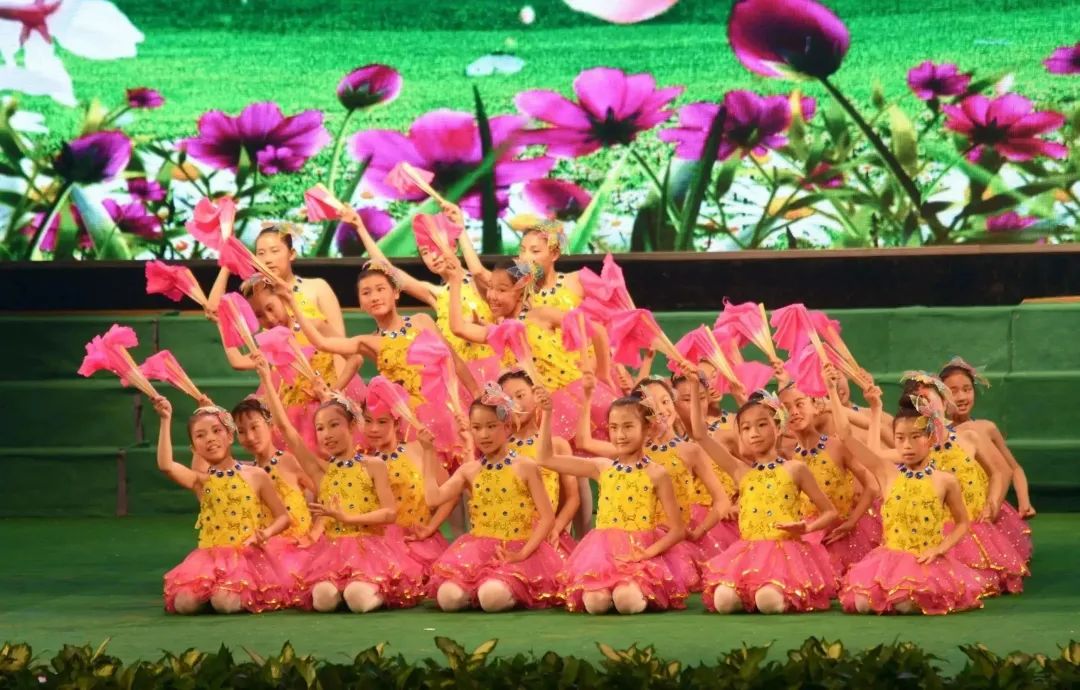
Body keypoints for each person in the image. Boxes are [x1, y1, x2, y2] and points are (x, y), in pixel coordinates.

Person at [256, 357, 426, 612]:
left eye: (334, 425)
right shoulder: (320, 472)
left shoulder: (373, 465)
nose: (327, 434)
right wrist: (266, 378)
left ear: (352, 425)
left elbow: (390, 513)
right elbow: (285, 428)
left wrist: (348, 518)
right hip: (333, 552)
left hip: (370, 550)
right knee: (322, 599)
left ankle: (378, 590)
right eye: (320, 428)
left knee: (357, 598)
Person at [688, 376, 839, 614]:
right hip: (748, 554)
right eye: (746, 428)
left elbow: (830, 512)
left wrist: (807, 529)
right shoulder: (740, 471)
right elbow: (700, 435)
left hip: (785, 555)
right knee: (723, 602)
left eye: (761, 425)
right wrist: (695, 386)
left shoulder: (795, 469)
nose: (754, 433)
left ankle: (775, 594)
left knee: (768, 601)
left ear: (778, 427)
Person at [834, 380, 986, 614]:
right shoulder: (886, 473)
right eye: (900, 438)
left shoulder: (945, 481)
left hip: (926, 562)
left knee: (906, 603)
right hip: (889, 561)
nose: (907, 445)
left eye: (916, 437)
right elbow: (845, 436)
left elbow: (962, 523)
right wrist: (833, 390)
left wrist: (940, 549)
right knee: (863, 603)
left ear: (931, 438)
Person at [537, 395, 690, 614]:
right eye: (614, 427)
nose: (620, 435)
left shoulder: (657, 474)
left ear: (647, 428)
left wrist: (646, 554)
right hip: (604, 554)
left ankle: (637, 592)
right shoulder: (602, 468)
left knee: (626, 600)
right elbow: (545, 459)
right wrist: (546, 413)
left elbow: (677, 530)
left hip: (640, 554)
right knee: (595, 603)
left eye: (628, 427)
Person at [423, 385, 564, 612]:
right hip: (478, 551)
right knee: (448, 598)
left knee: (492, 598)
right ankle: (478, 589)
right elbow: (433, 499)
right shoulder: (469, 470)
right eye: (477, 428)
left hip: (519, 549)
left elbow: (547, 518)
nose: (484, 435)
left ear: (506, 427)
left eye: (491, 426)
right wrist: (428, 453)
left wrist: (522, 554)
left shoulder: (525, 467)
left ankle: (504, 588)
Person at [151, 399, 291, 614]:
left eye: (216, 431)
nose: (210, 439)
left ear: (230, 436)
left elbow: (283, 517)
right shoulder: (200, 481)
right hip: (209, 560)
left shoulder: (256, 475)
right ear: (194, 448)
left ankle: (225, 594)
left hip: (245, 558)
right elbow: (166, 465)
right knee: (184, 604)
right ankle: (211, 592)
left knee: (224, 603)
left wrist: (266, 533)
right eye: (200, 435)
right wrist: (165, 419)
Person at [779, 380, 881, 572]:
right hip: (809, 536)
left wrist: (851, 522)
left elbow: (872, 485)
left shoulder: (837, 446)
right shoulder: (787, 455)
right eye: (786, 408)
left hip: (841, 534)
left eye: (800, 404)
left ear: (816, 407)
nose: (794, 412)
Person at [940, 357, 1034, 561]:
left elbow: (1011, 469)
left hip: (985, 507)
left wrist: (1023, 501)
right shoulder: (937, 434)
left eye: (967, 389)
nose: (961, 397)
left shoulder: (983, 428)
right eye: (953, 391)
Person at [497, 368, 581, 551]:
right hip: (510, 535)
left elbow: (573, 498)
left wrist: (556, 528)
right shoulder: (499, 448)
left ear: (535, 396)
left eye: (520, 395)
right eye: (508, 400)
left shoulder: (557, 445)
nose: (515, 403)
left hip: (549, 536)